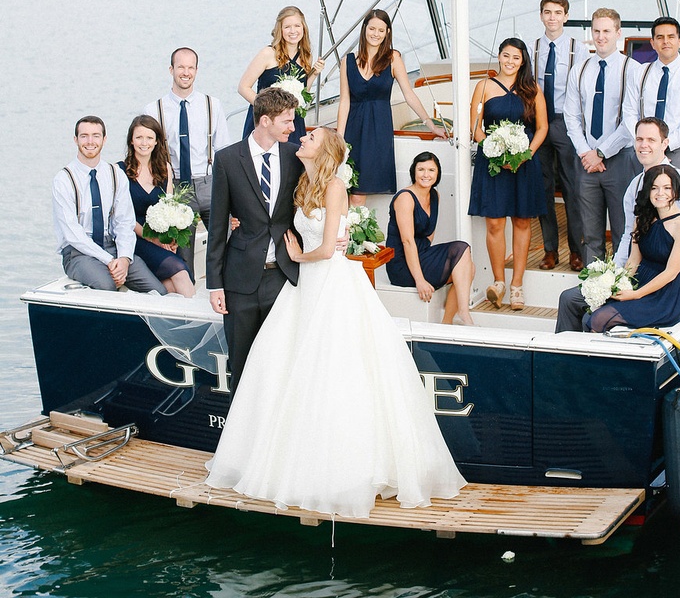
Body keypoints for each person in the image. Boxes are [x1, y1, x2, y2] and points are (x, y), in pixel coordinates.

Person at [206, 126, 466, 517]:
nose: (301, 140)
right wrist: (242, 224)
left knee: (335, 370)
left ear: (322, 150)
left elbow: (328, 249)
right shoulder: (304, 183)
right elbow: (281, 220)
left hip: (328, 280)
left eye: (309, 138)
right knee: (286, 365)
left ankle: (342, 470)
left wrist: (297, 256)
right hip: (302, 287)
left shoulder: (334, 187)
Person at [205, 88, 302, 395]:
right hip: (239, 281)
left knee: (281, 366)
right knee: (241, 367)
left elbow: (310, 205)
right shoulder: (227, 160)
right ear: (264, 121)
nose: (292, 127)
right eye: (286, 121)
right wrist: (214, 284)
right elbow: (217, 225)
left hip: (283, 278)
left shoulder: (295, 155)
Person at [556, 164, 680, 333]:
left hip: (665, 296)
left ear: (676, 191)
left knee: (596, 319)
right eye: (654, 188)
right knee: (568, 299)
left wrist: (635, 295)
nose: (660, 193)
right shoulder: (642, 219)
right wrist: (616, 285)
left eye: (667, 188)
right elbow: (634, 260)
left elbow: (671, 273)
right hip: (638, 282)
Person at [468, 38, 548, 310]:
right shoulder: (483, 86)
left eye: (516, 57)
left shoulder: (533, 89)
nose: (510, 61)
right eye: (505, 55)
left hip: (524, 164)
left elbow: (542, 128)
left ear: (523, 60)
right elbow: (476, 128)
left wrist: (525, 154)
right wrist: (495, 152)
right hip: (492, 163)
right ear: (499, 57)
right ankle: (498, 282)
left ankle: (517, 285)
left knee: (523, 221)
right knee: (494, 223)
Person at [336, 9, 444, 198]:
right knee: (344, 190)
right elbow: (344, 101)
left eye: (380, 30)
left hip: (378, 131)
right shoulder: (348, 61)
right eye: (372, 29)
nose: (375, 34)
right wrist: (339, 138)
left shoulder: (393, 58)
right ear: (364, 29)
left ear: (387, 32)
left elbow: (409, 94)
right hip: (353, 130)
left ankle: (355, 226)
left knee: (359, 194)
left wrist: (430, 123)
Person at [52, 116, 166, 294]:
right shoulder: (64, 179)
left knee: (158, 291)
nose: (90, 141)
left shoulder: (115, 174)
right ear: (75, 140)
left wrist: (124, 258)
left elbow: (124, 222)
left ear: (104, 139)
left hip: (112, 247)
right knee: (107, 287)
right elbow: (72, 233)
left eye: (96, 136)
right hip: (78, 254)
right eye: (84, 136)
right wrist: (109, 261)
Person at [563, 8, 642, 264]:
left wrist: (601, 153)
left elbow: (631, 122)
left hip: (620, 160)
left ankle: (622, 287)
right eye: (596, 31)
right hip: (586, 161)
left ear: (618, 33)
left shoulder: (633, 70)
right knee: (591, 233)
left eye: (607, 31)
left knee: (623, 229)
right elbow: (571, 116)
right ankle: (593, 289)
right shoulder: (580, 69)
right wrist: (586, 152)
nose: (601, 36)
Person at [145, 47, 230, 277]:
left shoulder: (212, 105)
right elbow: (148, 155)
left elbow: (223, 151)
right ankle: (188, 298)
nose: (186, 72)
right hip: (177, 187)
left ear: (197, 70)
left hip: (209, 183)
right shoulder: (154, 110)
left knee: (224, 245)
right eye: (181, 67)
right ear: (171, 70)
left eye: (190, 67)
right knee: (183, 255)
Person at [531, 0, 590, 272]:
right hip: (540, 122)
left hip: (566, 124)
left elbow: (584, 89)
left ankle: (576, 252)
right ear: (541, 15)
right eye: (547, 12)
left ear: (566, 16)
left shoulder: (577, 48)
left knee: (572, 190)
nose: (552, 17)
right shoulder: (533, 49)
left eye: (557, 12)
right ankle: (550, 250)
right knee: (543, 190)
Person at [386, 151, 475, 325]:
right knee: (462, 248)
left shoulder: (435, 196)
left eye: (431, 170)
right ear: (414, 171)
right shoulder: (405, 197)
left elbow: (429, 234)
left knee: (468, 268)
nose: (426, 175)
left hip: (420, 254)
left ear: (438, 174)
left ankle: (447, 322)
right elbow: (407, 241)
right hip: (402, 264)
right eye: (421, 169)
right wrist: (420, 280)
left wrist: (431, 261)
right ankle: (464, 314)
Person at [622, 16, 680, 183]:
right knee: (643, 205)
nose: (666, 42)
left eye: (671, 37)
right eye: (660, 37)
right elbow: (628, 113)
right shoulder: (639, 73)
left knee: (679, 206)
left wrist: (665, 145)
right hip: (644, 153)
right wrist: (646, 144)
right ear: (653, 43)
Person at [119, 115, 194, 298]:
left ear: (156, 141)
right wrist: (153, 240)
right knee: (180, 271)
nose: (144, 143)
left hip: (159, 238)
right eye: (139, 137)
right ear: (131, 140)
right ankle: (197, 323)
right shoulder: (119, 171)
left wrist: (170, 238)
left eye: (149, 138)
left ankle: (182, 324)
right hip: (134, 238)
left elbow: (170, 209)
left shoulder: (165, 168)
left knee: (171, 286)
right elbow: (122, 218)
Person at [613, 116, 680, 265]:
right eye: (639, 139)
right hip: (640, 269)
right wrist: (616, 272)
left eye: (651, 140)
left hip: (670, 273)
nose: (643, 145)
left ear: (664, 144)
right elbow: (629, 233)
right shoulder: (635, 185)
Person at [238, 5, 325, 142]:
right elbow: (243, 87)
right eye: (287, 27)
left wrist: (314, 74)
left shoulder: (306, 56)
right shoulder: (268, 53)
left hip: (292, 122)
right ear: (280, 30)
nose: (293, 31)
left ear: (303, 28)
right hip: (266, 121)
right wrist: (267, 110)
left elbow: (302, 94)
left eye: (297, 26)